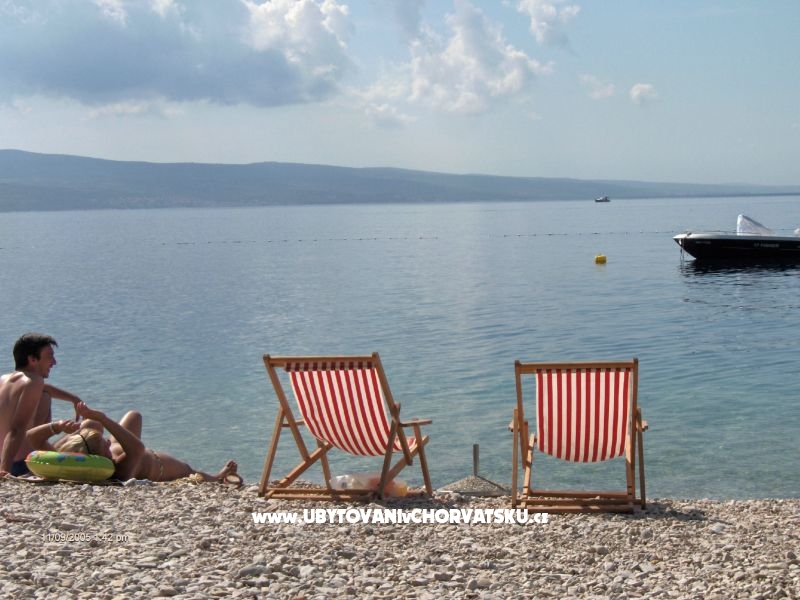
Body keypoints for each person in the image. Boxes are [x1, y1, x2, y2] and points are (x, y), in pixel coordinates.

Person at [27, 401, 241, 484]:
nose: (108, 447)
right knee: (190, 471)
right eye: (104, 446)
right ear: (96, 456)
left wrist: (58, 426)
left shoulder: (68, 457)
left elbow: (32, 438)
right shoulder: (119, 468)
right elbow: (137, 449)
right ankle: (217, 477)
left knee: (133, 416)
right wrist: (102, 419)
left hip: (134, 452)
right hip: (160, 465)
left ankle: (91, 427)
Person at [0, 333, 82, 476]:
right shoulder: (34, 382)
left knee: (45, 395)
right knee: (90, 427)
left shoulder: (4, 380)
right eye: (50, 356)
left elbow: (45, 388)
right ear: (32, 359)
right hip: (20, 465)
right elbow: (16, 429)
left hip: (7, 459)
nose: (54, 362)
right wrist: (4, 471)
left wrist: (74, 399)